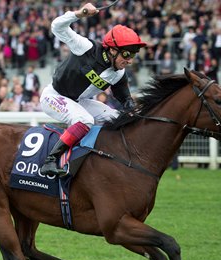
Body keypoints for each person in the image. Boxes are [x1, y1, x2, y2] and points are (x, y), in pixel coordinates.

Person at [39, 3, 146, 176]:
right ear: (112, 50)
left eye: (133, 56)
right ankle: (50, 161)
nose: (130, 60)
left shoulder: (119, 74)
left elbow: (126, 101)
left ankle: (106, 160)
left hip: (79, 101)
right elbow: (56, 26)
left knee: (116, 117)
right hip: (54, 96)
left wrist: (136, 112)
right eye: (127, 54)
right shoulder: (86, 48)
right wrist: (79, 14)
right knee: (85, 120)